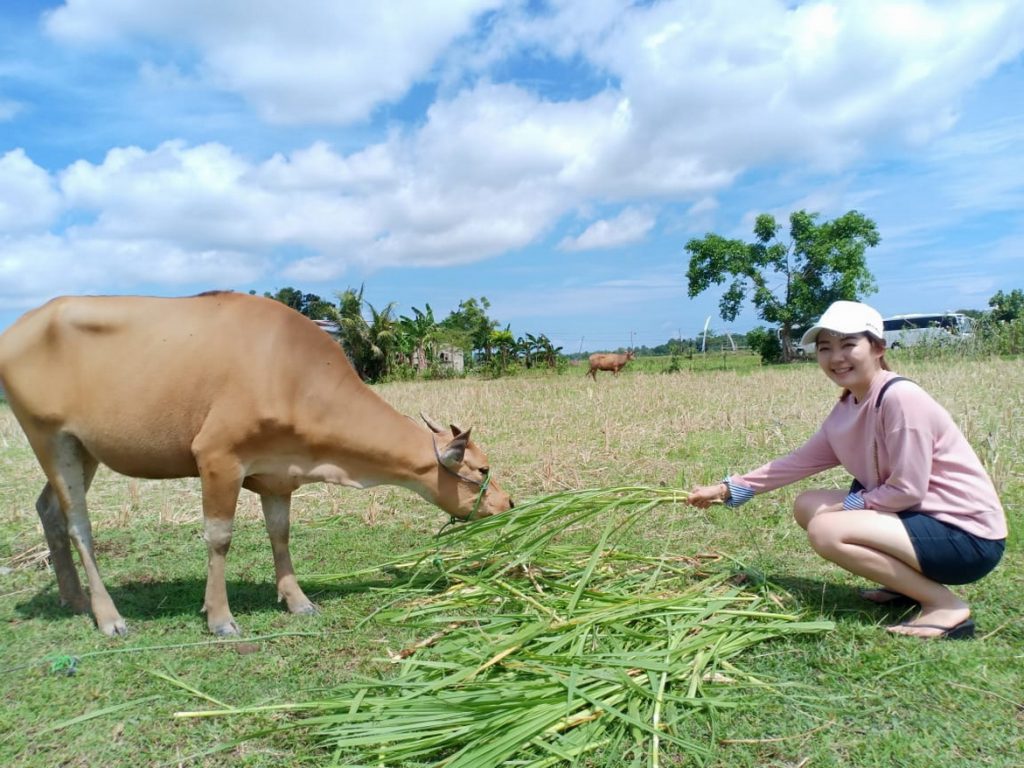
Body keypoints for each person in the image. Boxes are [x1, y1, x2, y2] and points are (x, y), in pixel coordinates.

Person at [686, 301, 1007, 639]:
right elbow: (796, 462)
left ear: (878, 348)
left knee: (827, 530)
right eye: (825, 348)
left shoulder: (901, 398)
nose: (836, 357)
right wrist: (725, 489)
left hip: (966, 536)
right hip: (919, 518)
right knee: (808, 504)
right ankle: (907, 586)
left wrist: (850, 506)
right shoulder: (848, 406)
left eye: (848, 344)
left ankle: (945, 606)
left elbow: (908, 490)